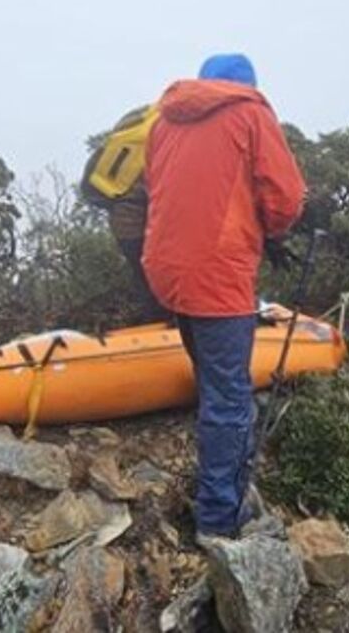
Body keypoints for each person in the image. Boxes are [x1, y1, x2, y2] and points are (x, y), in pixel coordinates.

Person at [143, 53, 306, 546]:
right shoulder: (252, 113)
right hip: (218, 274)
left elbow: (158, 185)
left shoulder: (164, 120)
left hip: (168, 269)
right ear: (246, 85)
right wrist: (272, 230)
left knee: (214, 381)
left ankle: (220, 477)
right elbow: (286, 196)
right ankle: (217, 517)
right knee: (229, 398)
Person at [79, 106, 171, 325]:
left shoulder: (142, 119)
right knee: (164, 285)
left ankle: (156, 327)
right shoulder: (173, 133)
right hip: (145, 221)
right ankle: (165, 335)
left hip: (124, 222)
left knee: (147, 282)